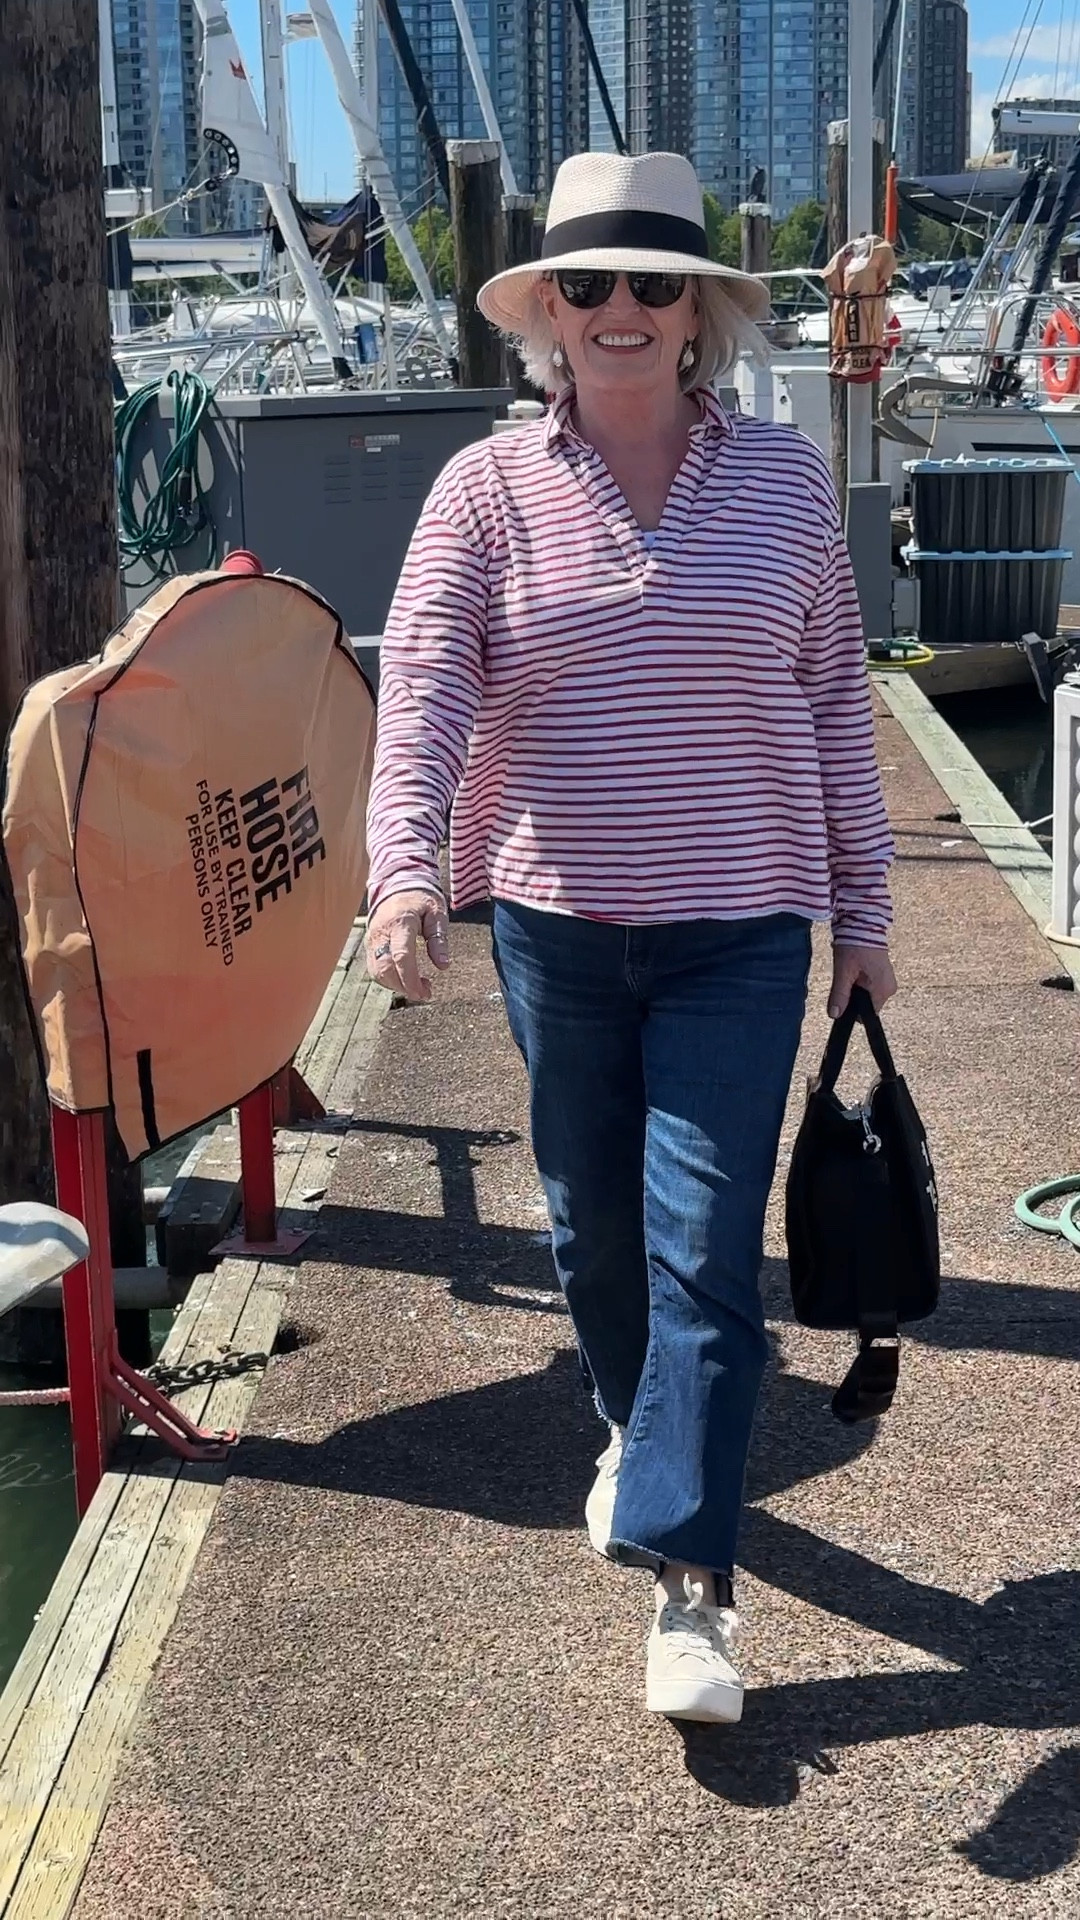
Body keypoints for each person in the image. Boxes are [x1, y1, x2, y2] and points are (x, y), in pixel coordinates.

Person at [364, 151, 896, 1725]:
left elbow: (833, 701)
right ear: (545, 313)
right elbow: (429, 688)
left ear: (698, 314)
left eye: (651, 284)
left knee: (706, 1247)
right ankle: (635, 1428)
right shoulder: (485, 491)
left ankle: (690, 1588)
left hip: (742, 930)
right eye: (584, 285)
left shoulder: (789, 487)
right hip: (558, 927)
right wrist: (404, 873)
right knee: (595, 1232)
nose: (617, 311)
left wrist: (865, 909)